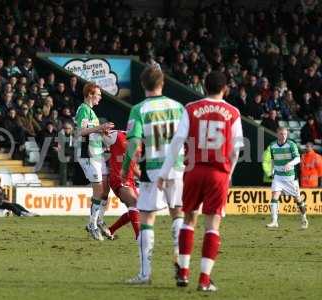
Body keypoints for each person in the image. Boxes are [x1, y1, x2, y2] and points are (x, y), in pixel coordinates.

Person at [157, 71, 244, 292]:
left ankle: (184, 273)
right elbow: (236, 150)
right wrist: (229, 173)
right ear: (225, 89)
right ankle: (204, 280)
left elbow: (177, 141)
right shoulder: (233, 112)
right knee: (212, 224)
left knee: (188, 218)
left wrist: (164, 171)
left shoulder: (191, 108)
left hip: (193, 171)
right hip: (218, 174)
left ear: (204, 86)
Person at [122, 66, 185, 285]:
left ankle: (145, 273)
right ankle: (180, 262)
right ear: (163, 83)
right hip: (176, 166)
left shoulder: (139, 109)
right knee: (178, 214)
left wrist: (125, 169)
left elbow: (133, 143)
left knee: (147, 218)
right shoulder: (178, 108)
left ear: (142, 85)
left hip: (152, 168)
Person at [75, 82, 114, 241]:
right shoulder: (83, 109)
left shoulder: (92, 113)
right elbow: (80, 132)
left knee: (106, 190)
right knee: (98, 190)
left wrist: (103, 136)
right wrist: (99, 128)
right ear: (90, 94)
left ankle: (99, 220)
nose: (100, 97)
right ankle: (92, 224)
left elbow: (93, 133)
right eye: (98, 94)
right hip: (87, 154)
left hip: (97, 153)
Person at [267, 127, 308, 229]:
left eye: (285, 134)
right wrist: (272, 171)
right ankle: (274, 221)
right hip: (278, 176)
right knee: (274, 196)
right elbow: (273, 159)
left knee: (298, 199)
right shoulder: (272, 145)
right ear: (277, 134)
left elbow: (298, 158)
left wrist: (290, 163)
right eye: (281, 134)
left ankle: (304, 218)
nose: (284, 136)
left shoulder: (291, 144)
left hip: (290, 177)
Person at [103, 130, 140, 239]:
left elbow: (134, 165)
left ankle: (110, 230)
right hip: (118, 178)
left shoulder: (138, 143)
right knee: (134, 203)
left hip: (130, 180)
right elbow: (100, 137)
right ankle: (139, 236)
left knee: (138, 207)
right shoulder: (117, 135)